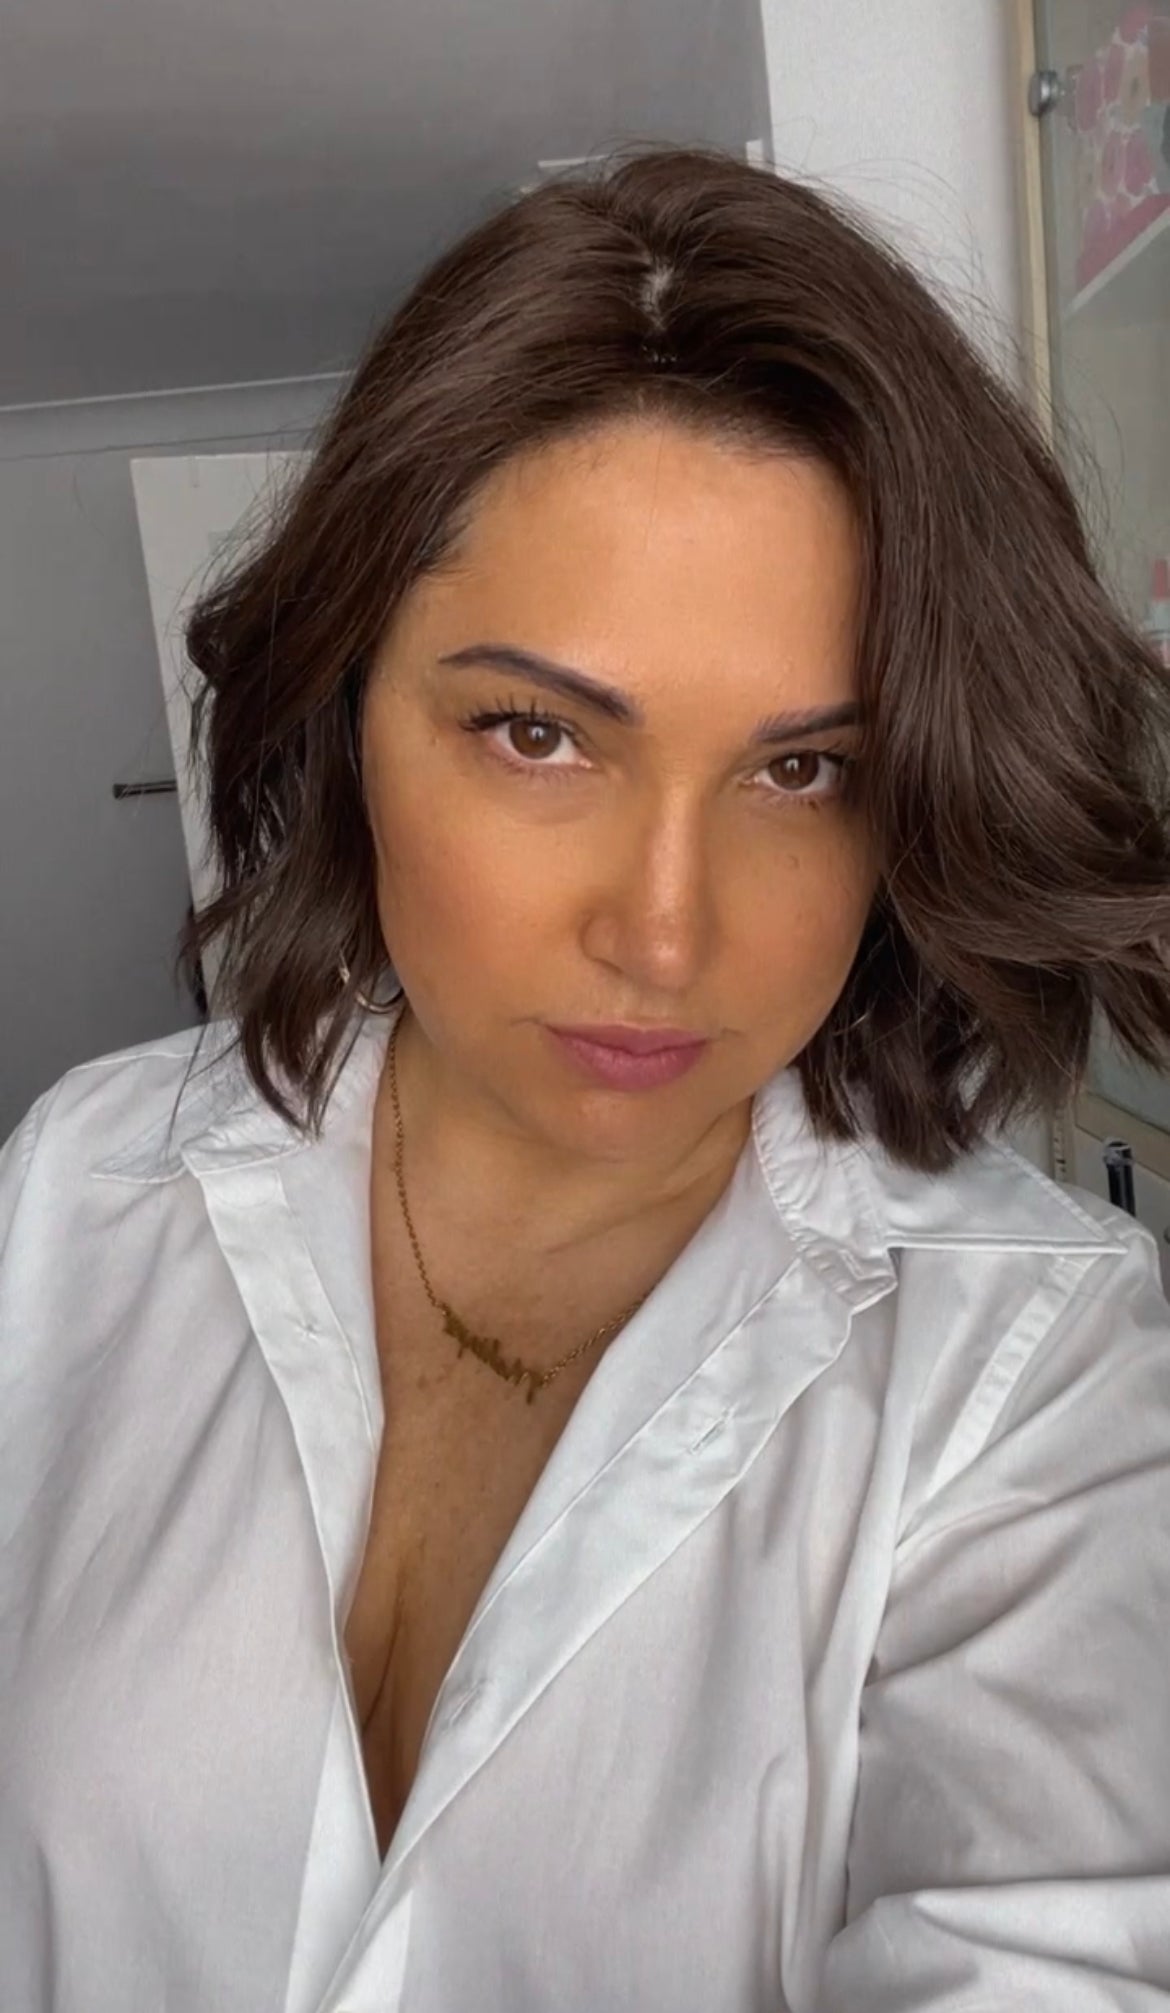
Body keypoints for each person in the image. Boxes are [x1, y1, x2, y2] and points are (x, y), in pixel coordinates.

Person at [3, 143, 1170, 2013]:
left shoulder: (1025, 1368)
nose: (663, 931)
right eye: (536, 734)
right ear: (346, 707)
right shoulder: (81, 1187)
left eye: (801, 769)